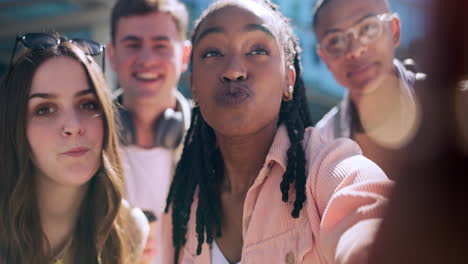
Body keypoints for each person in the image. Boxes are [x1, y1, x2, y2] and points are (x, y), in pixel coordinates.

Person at [161, 0, 393, 263]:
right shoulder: (183, 201)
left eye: (258, 50)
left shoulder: (325, 172)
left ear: (289, 81)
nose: (234, 70)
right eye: (213, 53)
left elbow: (372, 224)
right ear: (193, 85)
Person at [0, 34, 149, 263]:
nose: (74, 126)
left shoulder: (129, 229)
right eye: (45, 109)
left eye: (88, 104)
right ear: (15, 126)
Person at [107, 1, 192, 262]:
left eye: (161, 46)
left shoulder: (216, 139)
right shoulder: (83, 140)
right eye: (133, 45)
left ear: (185, 56)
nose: (146, 59)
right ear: (112, 55)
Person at [313, 0, 425, 178]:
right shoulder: (320, 147)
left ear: (394, 31)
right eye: (335, 41)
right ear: (325, 58)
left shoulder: (451, 105)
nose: (355, 50)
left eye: (368, 28)